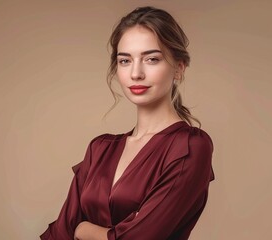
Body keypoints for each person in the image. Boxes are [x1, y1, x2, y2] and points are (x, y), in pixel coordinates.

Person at [40, 6, 215, 240]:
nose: (136, 73)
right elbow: (60, 233)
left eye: (151, 59)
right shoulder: (100, 149)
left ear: (179, 68)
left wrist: (85, 230)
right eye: (125, 60)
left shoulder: (189, 146)